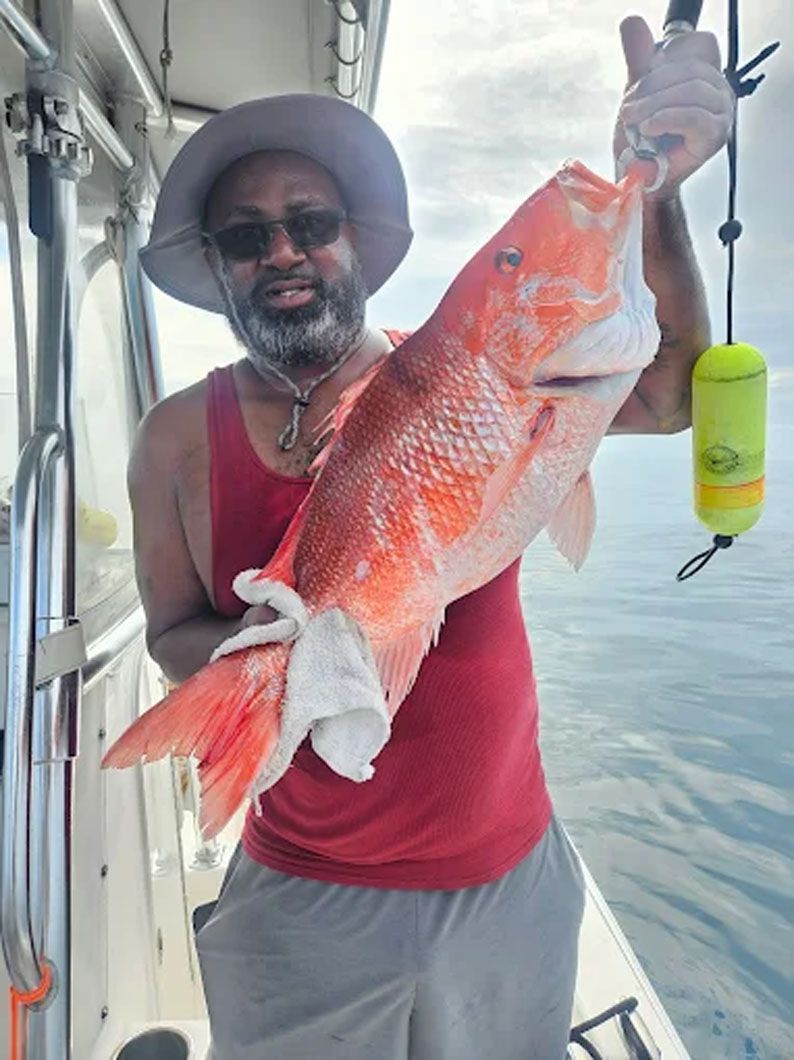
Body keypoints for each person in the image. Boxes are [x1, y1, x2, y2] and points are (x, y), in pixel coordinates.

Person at [132, 16, 734, 1060]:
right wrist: (290, 663)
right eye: (246, 235)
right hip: (301, 893)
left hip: (508, 874)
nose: (283, 250)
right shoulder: (175, 436)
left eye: (310, 221)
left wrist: (659, 193)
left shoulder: (465, 368)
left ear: (354, 240)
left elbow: (674, 392)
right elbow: (170, 630)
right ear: (218, 266)